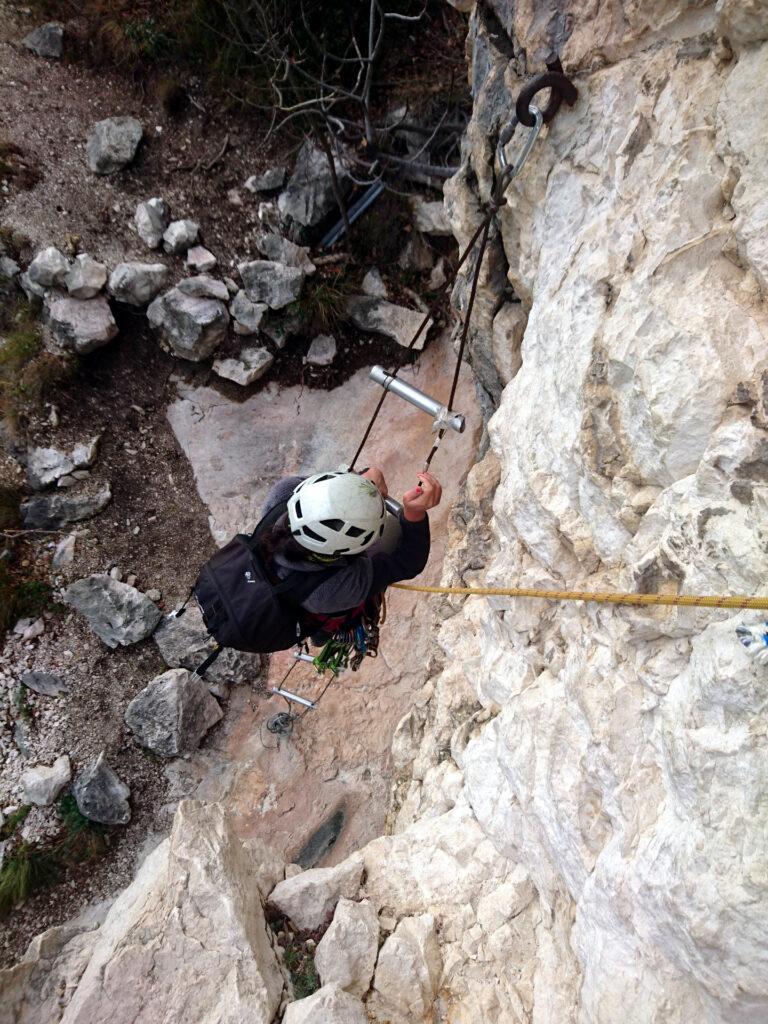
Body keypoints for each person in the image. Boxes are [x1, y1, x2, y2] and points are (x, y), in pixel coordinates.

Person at [258, 467, 442, 641]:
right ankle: (323, 633)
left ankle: (320, 634)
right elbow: (407, 563)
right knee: (393, 529)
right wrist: (414, 513)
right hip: (321, 604)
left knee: (317, 615)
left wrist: (362, 481)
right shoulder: (335, 589)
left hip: (285, 586)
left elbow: (331, 486)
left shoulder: (281, 495)